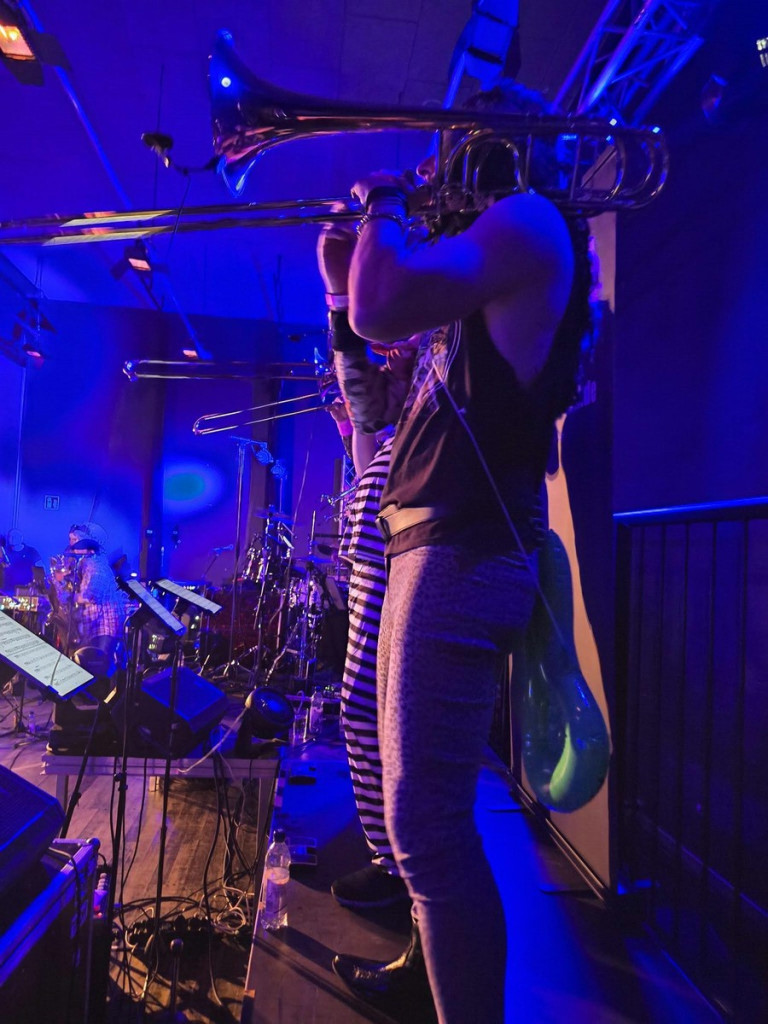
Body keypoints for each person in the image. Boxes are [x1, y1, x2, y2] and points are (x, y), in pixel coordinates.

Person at [320, 79, 593, 1024]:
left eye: (451, 150)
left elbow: (382, 306)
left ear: (495, 148)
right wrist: (343, 278)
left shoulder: (529, 220)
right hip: (433, 545)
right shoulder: (498, 245)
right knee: (422, 826)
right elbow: (375, 338)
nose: (435, 168)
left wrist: (384, 206)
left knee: (427, 830)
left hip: (463, 548)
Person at [324, 344, 417, 909]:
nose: (389, 365)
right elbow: (367, 472)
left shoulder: (423, 423)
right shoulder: (395, 437)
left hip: (390, 565)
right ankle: (390, 857)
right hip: (369, 567)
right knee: (361, 711)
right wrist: (350, 426)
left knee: (370, 712)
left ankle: (395, 865)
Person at [0, 528, 43, 593]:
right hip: (7, 590)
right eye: (10, 536)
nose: (12, 539)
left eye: (15, 536)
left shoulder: (31, 551)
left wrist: (37, 584)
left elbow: (40, 568)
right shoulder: (4, 551)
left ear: (21, 538)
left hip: (25, 589)